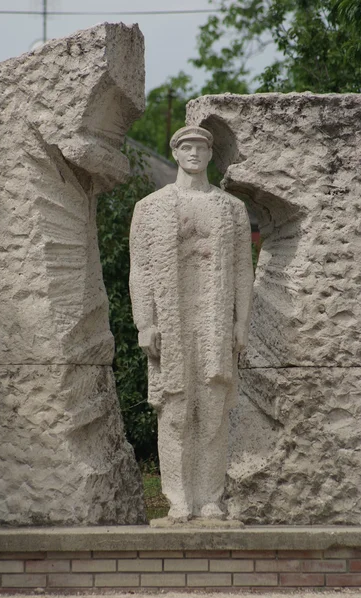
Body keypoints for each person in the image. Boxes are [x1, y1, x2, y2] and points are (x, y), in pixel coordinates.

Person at [129, 126, 253, 521]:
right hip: (171, 322)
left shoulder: (231, 208)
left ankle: (210, 497)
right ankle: (179, 498)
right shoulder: (150, 207)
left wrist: (241, 323)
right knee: (176, 411)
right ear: (176, 152)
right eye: (187, 146)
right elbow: (139, 270)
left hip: (213, 320)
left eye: (202, 146)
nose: (195, 153)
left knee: (213, 410)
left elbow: (243, 271)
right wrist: (143, 322)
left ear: (210, 153)